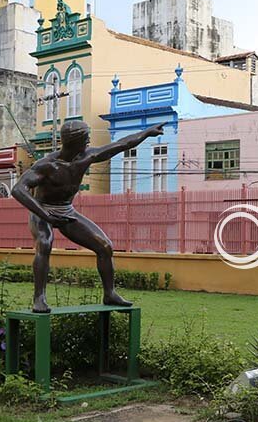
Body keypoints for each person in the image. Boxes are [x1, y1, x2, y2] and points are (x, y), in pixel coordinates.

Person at [11, 120, 165, 313]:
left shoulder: (87, 156)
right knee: (44, 242)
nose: (89, 142)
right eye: (86, 138)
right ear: (75, 142)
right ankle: (39, 298)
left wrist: (146, 132)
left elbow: (121, 144)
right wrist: (46, 216)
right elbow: (18, 190)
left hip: (66, 210)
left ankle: (110, 293)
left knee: (104, 246)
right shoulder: (47, 165)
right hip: (42, 209)